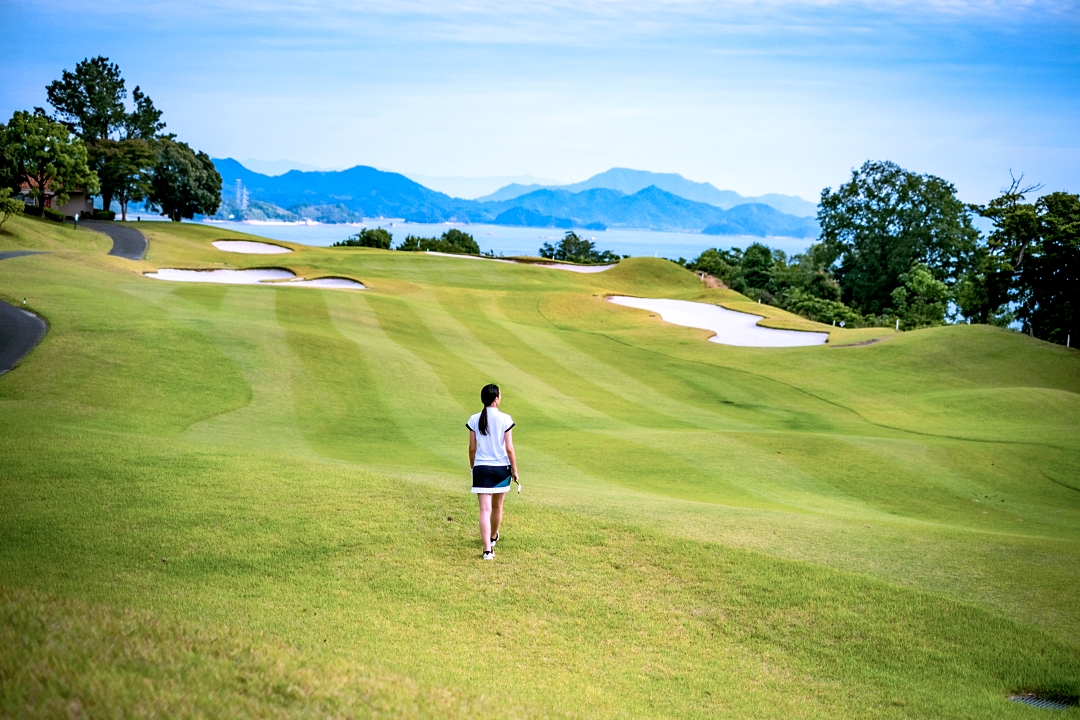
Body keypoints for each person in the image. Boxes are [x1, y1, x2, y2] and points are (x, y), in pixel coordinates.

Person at [466, 384, 518, 560]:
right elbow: (509, 449)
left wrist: (473, 468)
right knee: (497, 506)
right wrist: (515, 470)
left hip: (481, 468)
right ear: (496, 399)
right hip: (501, 468)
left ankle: (487, 550)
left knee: (484, 510)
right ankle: (493, 536)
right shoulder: (505, 419)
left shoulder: (474, 418)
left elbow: (472, 448)